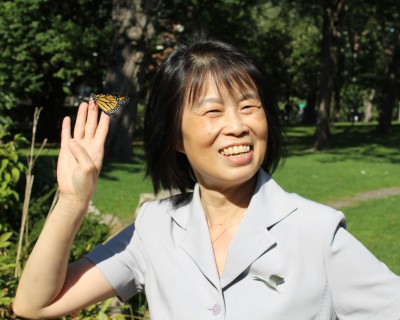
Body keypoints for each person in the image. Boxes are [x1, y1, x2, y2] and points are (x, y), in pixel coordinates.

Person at [13, 34, 400, 320]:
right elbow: (35, 304)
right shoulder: (155, 228)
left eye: (249, 106)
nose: (237, 126)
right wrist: (72, 201)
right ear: (176, 137)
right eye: (213, 112)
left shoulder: (316, 232)